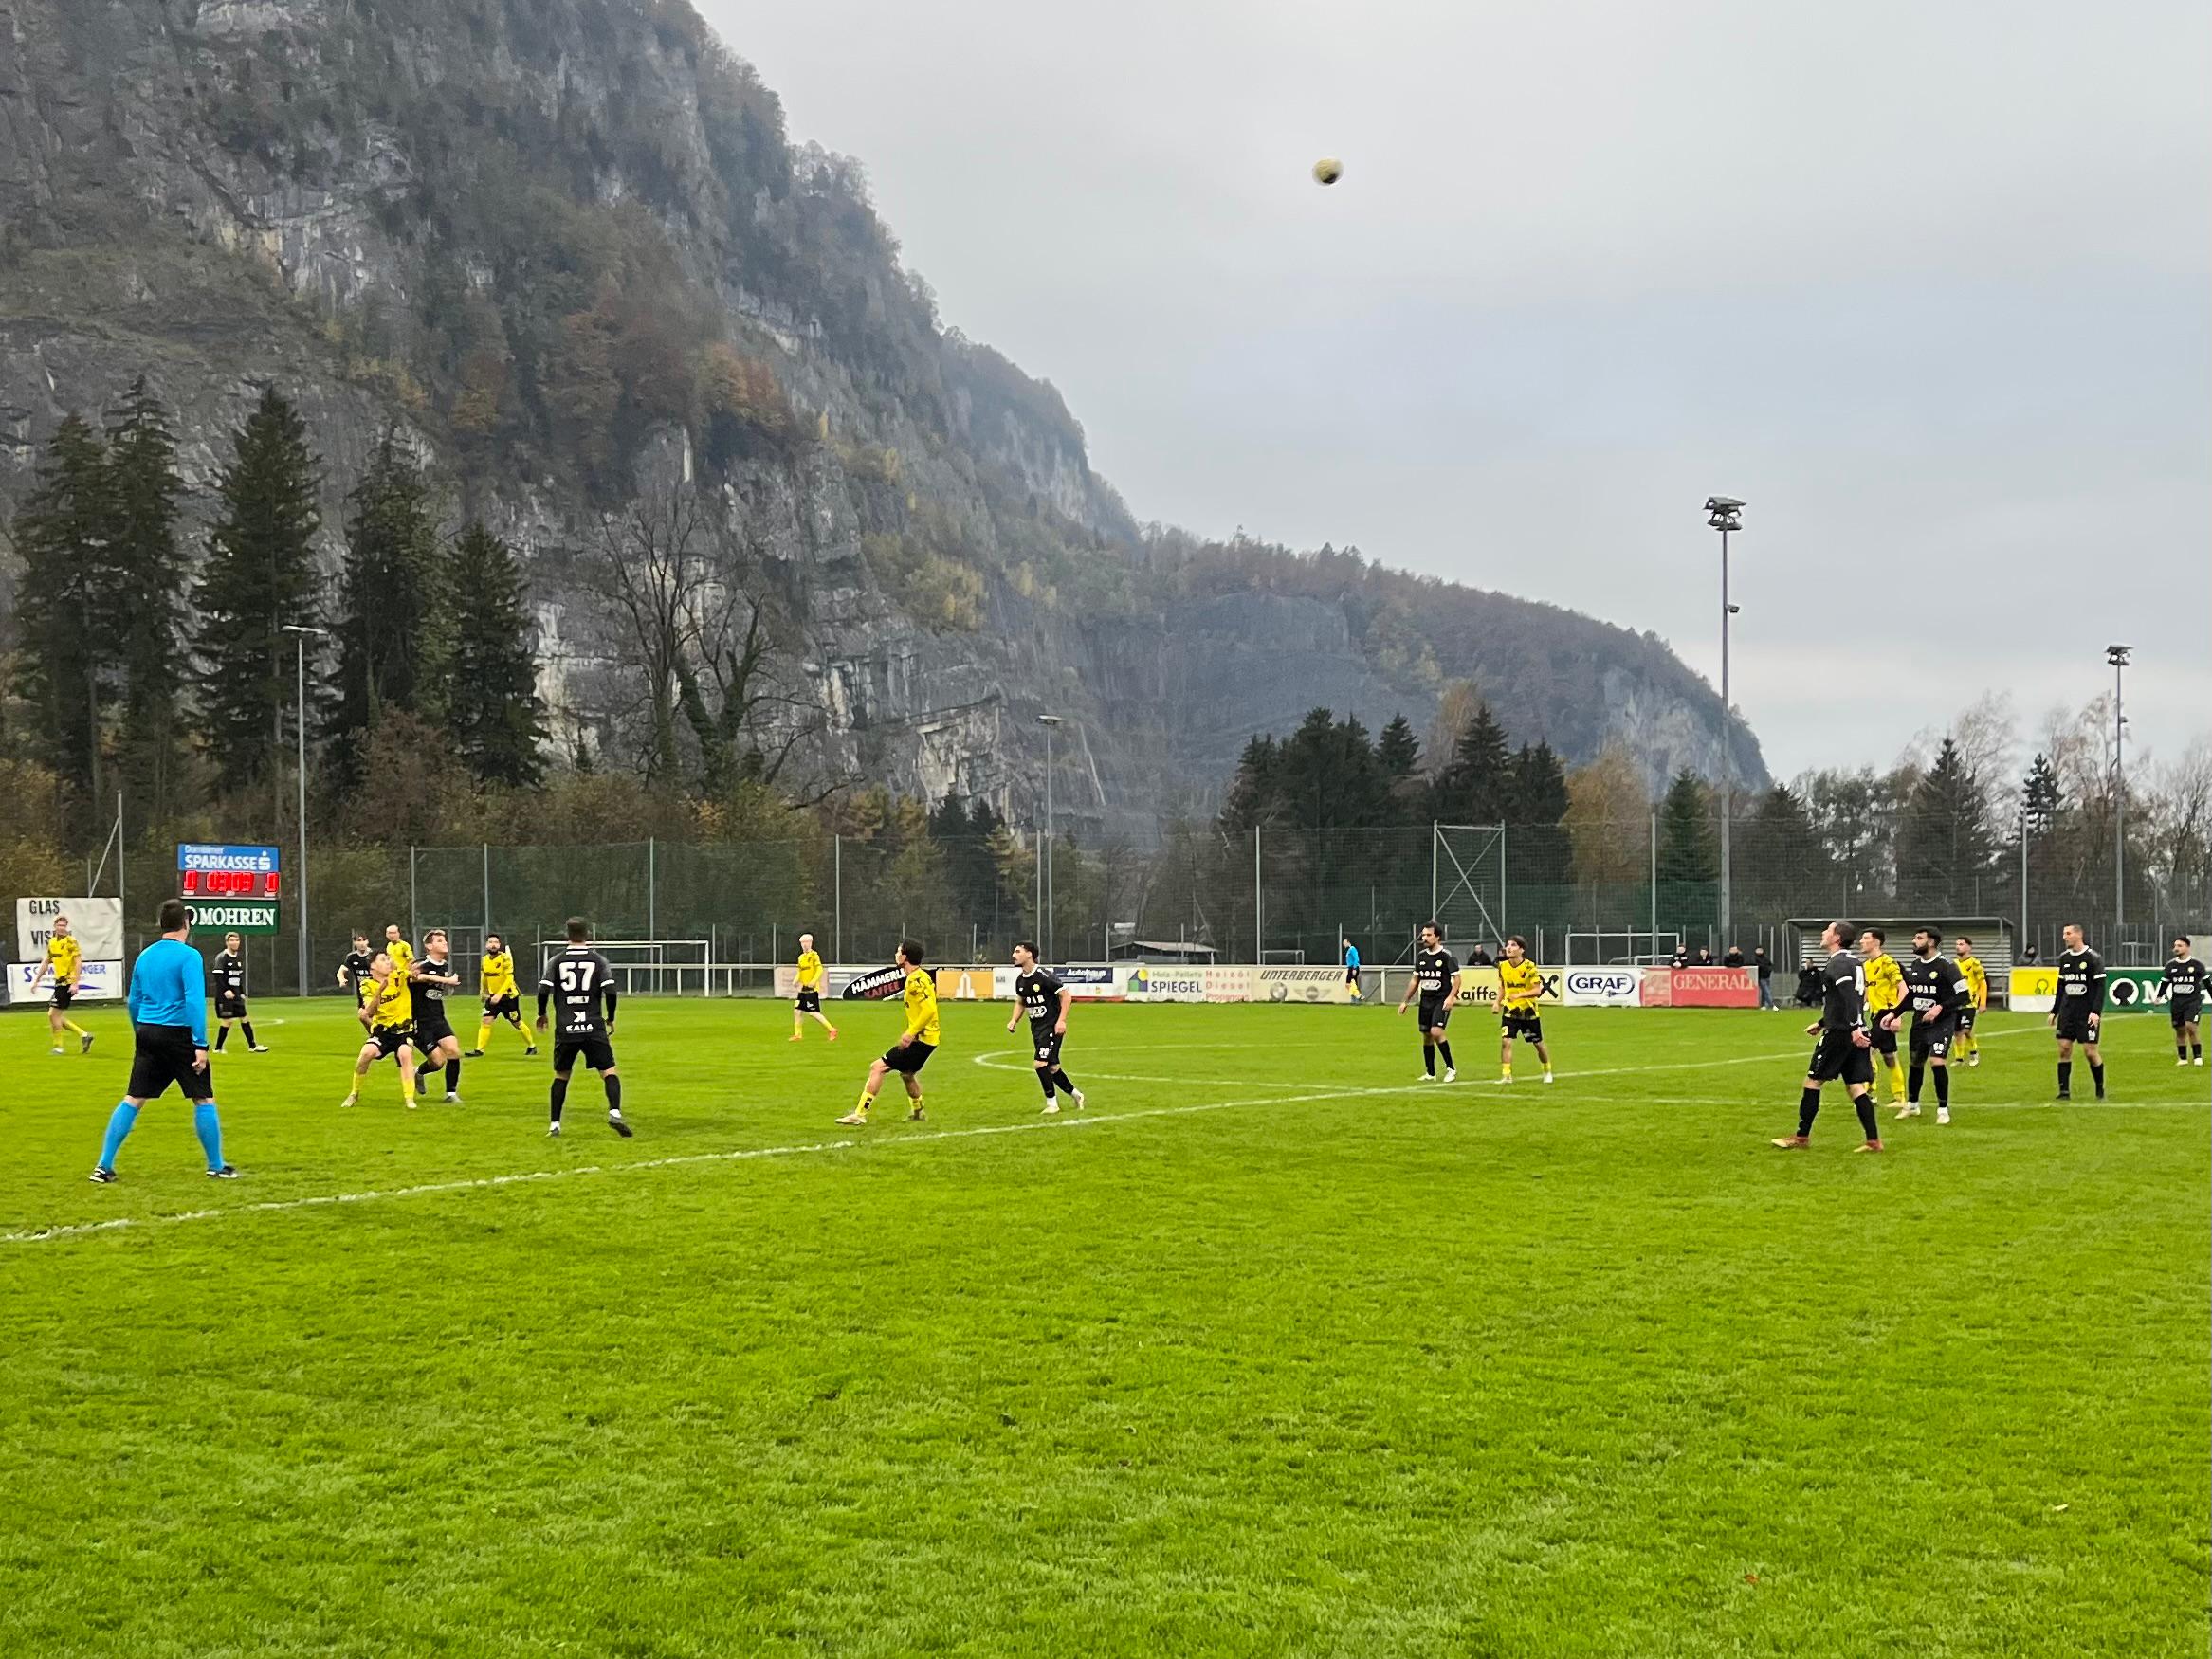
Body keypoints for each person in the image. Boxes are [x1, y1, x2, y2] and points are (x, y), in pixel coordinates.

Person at [90, 899, 234, 1182]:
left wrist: (140, 1031)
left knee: (133, 1098)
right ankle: (216, 1166)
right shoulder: (189, 956)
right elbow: (194, 1001)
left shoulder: (145, 956)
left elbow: (134, 1000)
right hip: (178, 1034)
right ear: (186, 924)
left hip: (148, 1031)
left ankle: (103, 1166)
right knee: (203, 1097)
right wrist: (200, 1044)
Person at [1772, 921, 1883, 1153]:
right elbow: (1851, 999)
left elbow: (1849, 996)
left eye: (1828, 931)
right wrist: (1823, 1022)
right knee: (1855, 1086)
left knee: (1813, 1082)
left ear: (1837, 938)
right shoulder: (1854, 962)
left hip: (1842, 1034)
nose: (1824, 933)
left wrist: (1852, 1027)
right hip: (1852, 1029)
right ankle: (1873, 1141)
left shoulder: (1838, 963)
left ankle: (1801, 1138)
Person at [538, 917, 631, 1139]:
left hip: (566, 1027)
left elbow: (543, 990)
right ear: (587, 934)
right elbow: (611, 991)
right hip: (593, 1025)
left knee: (562, 1075)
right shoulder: (598, 960)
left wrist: (542, 1013)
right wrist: (610, 1017)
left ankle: (554, 1125)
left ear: (567, 935)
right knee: (608, 1071)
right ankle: (615, 1112)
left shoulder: (557, 960)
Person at [838, 939, 938, 1125]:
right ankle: (918, 1112)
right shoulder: (919, 976)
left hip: (921, 1040)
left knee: (878, 1067)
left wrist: (911, 1032)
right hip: (928, 1039)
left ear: (905, 957)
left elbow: (929, 1009)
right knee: (907, 1073)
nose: (896, 955)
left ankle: (859, 1114)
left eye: (899, 951)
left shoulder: (916, 980)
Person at [1888, 928, 1971, 1124]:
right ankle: (1913, 1105)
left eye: (1919, 938)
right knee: (1916, 1062)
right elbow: (1912, 996)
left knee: (1937, 1061)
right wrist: (1894, 1013)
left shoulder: (1947, 966)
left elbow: (1964, 996)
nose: (1914, 941)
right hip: (1920, 1022)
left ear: (1931, 942)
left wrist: (1939, 1008)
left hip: (1942, 1022)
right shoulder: (1916, 965)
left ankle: (1943, 1109)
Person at [1007, 940, 1084, 1114]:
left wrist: (1061, 1021)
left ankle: (1052, 1104)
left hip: (1051, 1026)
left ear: (1029, 954)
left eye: (1018, 951)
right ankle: (1076, 1095)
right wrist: (1014, 1020)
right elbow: (1021, 1002)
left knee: (1040, 1063)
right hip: (1037, 1028)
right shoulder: (1021, 980)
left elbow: (1066, 996)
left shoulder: (1044, 976)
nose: (1013, 955)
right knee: (1052, 1067)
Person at [341, 950, 420, 1109]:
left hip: (404, 1029)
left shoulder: (398, 976)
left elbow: (415, 975)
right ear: (373, 966)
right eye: (383, 960)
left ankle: (409, 1099)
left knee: (405, 1054)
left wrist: (415, 972)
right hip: (382, 1031)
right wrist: (380, 991)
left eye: (388, 959)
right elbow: (369, 1012)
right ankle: (354, 1093)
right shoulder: (367, 985)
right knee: (366, 1053)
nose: (388, 962)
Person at [1396, 921, 1458, 1083]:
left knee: (1436, 1031)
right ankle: (1430, 1073)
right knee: (1426, 1035)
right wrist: (1405, 1001)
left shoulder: (1446, 956)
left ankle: (1451, 1069)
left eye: (1428, 935)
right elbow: (1415, 980)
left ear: (1437, 937)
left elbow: (1457, 979)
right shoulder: (1421, 956)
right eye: (1423, 935)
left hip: (1441, 1000)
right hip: (1426, 1001)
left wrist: (1451, 997)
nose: (1425, 938)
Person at [2051, 922, 2106, 1101]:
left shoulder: (2093, 958)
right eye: (2064, 934)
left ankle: (2100, 1089)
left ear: (2078, 935)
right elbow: (2061, 986)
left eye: (2068, 933)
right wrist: (2055, 1011)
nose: (2064, 937)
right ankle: (2064, 1092)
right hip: (2068, 1013)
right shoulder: (2064, 958)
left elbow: (2100, 987)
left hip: (2087, 1013)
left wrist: (2095, 1012)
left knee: (2090, 1052)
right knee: (2064, 1049)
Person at [410, 928, 465, 1102]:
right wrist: (447, 981)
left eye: (445, 940)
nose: (445, 943)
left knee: (454, 1051)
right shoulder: (420, 964)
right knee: (437, 1062)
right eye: (440, 941)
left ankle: (451, 1094)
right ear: (429, 946)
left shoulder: (444, 965)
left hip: (438, 1018)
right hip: (420, 1021)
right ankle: (418, 1072)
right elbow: (416, 978)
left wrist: (448, 985)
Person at [28, 911, 94, 1056]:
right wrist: (36, 981)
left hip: (67, 982)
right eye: (59, 925)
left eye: (64, 925)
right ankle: (84, 1035)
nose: (61, 928)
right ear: (55, 926)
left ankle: (58, 1047)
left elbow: (78, 962)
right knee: (55, 1015)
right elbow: (46, 961)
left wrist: (75, 983)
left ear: (67, 927)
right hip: (59, 982)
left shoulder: (71, 942)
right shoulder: (52, 942)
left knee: (53, 1015)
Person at [1858, 928, 1909, 1105]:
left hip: (1886, 1015)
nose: (1861, 941)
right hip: (1876, 1016)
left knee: (1865, 1050)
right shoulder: (1866, 966)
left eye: (1866, 938)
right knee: (1889, 1056)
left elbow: (1903, 989)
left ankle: (1869, 1092)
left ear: (1876, 942)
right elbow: (1867, 992)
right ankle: (1899, 1097)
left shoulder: (1888, 963)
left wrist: (1897, 1015)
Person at [466, 931, 536, 1056]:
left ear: (499, 945)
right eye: (490, 942)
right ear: (486, 945)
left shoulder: (505, 958)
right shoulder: (484, 960)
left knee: (516, 1023)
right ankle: (479, 1050)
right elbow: (484, 977)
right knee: (486, 1020)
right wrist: (483, 991)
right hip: (493, 997)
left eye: (496, 942)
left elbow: (509, 979)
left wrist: (499, 994)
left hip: (508, 997)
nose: (493, 945)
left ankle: (532, 1046)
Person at [1496, 936, 1553, 1085]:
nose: (1509, 948)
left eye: (1513, 945)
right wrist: (1497, 1002)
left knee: (1538, 1044)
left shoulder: (1529, 967)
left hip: (1528, 1011)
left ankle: (1547, 1070)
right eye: (1508, 945)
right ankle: (1506, 1075)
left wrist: (1519, 995)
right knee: (1506, 1041)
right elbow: (1502, 986)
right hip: (1510, 1010)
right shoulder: (1502, 966)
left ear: (1521, 950)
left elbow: (1537, 991)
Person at [210, 931, 267, 1052]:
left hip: (236, 995)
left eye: (237, 940)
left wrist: (241, 992)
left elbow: (238, 978)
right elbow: (218, 977)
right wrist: (226, 990)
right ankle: (218, 1048)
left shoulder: (238, 958)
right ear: (227, 942)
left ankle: (252, 1046)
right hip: (225, 996)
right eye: (232, 940)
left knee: (244, 1018)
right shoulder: (222, 957)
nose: (235, 943)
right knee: (227, 1021)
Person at [2160, 936, 2204, 1066]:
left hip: (2193, 1002)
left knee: (2191, 1027)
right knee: (2180, 1030)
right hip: (2177, 1003)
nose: (2176, 948)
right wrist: (2159, 996)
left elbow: (2207, 982)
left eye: (2179, 946)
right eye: (2175, 946)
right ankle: (2183, 1058)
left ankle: (2197, 1057)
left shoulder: (2196, 965)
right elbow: (2165, 983)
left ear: (2187, 947)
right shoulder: (2171, 966)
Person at [790, 931, 838, 1043]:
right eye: (803, 942)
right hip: (803, 989)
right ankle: (798, 1035)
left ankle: (832, 1030)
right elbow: (800, 971)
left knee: (813, 1013)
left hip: (812, 989)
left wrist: (814, 981)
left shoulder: (814, 956)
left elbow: (820, 969)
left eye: (807, 942)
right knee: (797, 1011)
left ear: (811, 943)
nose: (805, 944)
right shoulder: (801, 957)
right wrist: (795, 980)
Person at [1952, 938, 1989, 1066]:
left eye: (1961, 944)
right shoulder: (1953, 964)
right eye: (1957, 944)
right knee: (1957, 1032)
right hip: (1955, 1003)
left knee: (1966, 1030)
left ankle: (1974, 1053)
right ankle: (1959, 1059)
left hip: (1970, 1003)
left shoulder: (1975, 964)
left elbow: (1982, 983)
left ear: (1969, 947)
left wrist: (1983, 1003)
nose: (1958, 946)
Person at [337, 933, 376, 1006]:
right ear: (355, 942)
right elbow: (341, 971)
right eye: (359, 940)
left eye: (364, 940)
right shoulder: (352, 957)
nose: (362, 943)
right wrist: (342, 980)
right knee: (363, 1012)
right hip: (362, 993)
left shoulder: (374, 955)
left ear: (367, 941)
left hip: (376, 992)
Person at [1342, 935, 1363, 1003]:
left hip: (1353, 968)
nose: (1343, 944)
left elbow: (1356, 958)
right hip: (1351, 968)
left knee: (1349, 984)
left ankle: (1358, 997)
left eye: (1344, 943)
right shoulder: (1349, 950)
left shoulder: (1352, 948)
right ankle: (1356, 999)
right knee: (1351, 984)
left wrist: (1354, 968)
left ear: (1348, 942)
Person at [1753, 946, 1776, 1010]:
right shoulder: (1755, 958)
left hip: (1767, 977)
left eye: (1760, 950)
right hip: (1760, 977)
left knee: (1764, 992)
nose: (1759, 951)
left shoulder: (1766, 958)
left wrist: (1769, 970)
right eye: (1757, 950)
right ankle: (1772, 1005)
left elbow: (1770, 965)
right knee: (1766, 991)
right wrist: (1763, 967)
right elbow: (1756, 965)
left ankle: (1763, 1005)